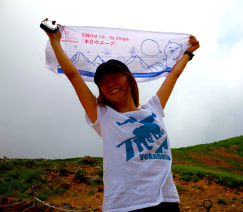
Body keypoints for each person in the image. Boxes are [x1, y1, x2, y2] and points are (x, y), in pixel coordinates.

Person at [42, 18, 200, 212]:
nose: (110, 84)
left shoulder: (153, 109)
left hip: (166, 201)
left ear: (129, 78)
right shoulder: (102, 115)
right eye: (103, 81)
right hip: (124, 206)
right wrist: (55, 41)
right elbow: (73, 75)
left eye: (115, 76)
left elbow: (174, 74)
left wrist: (188, 52)